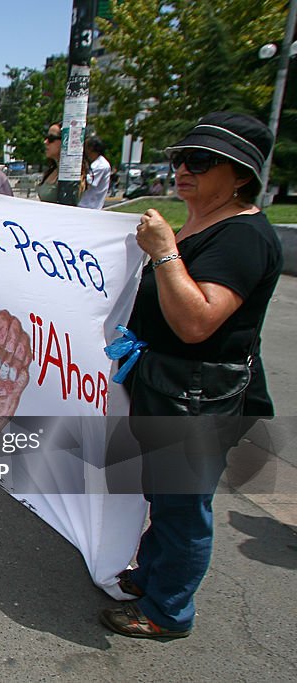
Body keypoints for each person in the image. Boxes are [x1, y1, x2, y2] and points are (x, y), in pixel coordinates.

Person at [100, 112, 281, 639]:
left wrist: (163, 252)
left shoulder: (244, 237)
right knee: (164, 494)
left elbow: (198, 320)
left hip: (197, 397)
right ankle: (153, 576)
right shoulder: (204, 222)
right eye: (181, 158)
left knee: (182, 507)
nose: (183, 169)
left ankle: (167, 611)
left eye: (200, 162)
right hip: (170, 388)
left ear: (241, 175)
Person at [37, 122, 86, 203]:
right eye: (46, 137)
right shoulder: (52, 171)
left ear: (66, 141)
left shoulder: (72, 175)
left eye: (51, 138)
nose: (45, 142)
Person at [79, 135, 112, 209]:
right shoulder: (93, 163)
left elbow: (86, 183)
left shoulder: (101, 165)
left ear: (91, 148)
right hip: (84, 205)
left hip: (90, 206)